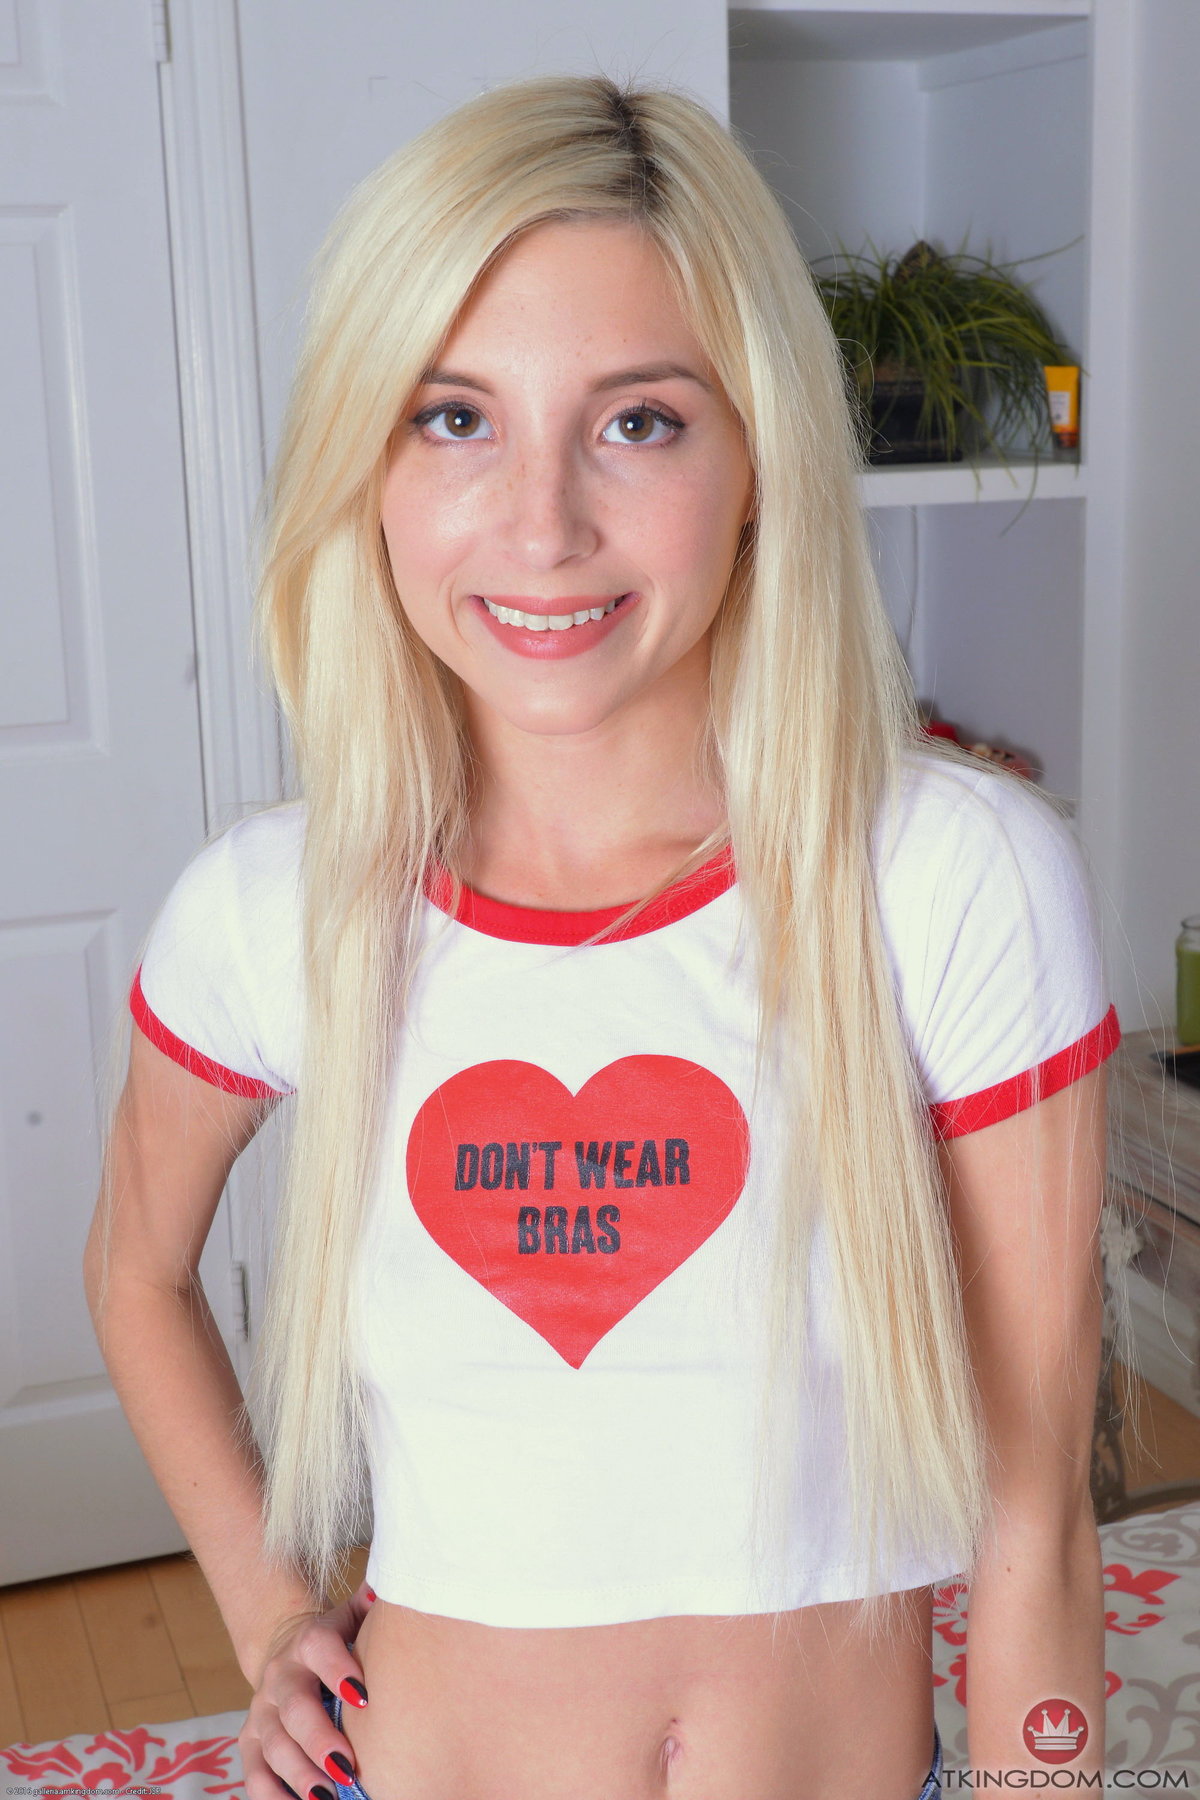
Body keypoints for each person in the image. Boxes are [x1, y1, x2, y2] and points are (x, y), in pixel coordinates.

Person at [84, 74, 1119, 1800]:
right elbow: (135, 1270)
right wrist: (270, 1623)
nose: (543, 523)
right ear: (367, 467)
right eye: (453, 418)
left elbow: (1039, 1532)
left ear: (758, 460)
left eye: (638, 422)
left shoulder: (953, 876)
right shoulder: (271, 910)